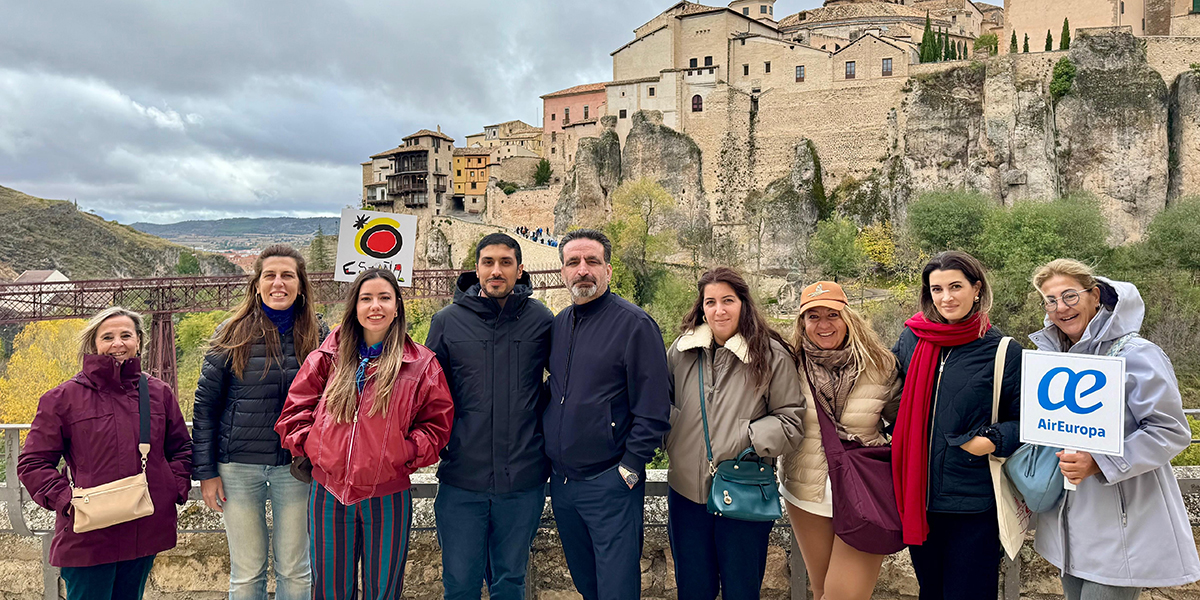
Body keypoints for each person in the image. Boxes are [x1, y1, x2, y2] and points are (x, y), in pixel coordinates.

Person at [275, 268, 454, 600]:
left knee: (383, 589)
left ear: (397, 306)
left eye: (384, 298)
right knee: (329, 590)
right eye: (366, 298)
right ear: (354, 307)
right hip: (328, 491)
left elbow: (437, 424)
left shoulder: (421, 365)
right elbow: (294, 413)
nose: (376, 306)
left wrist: (404, 452)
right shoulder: (326, 359)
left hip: (387, 494)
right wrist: (316, 448)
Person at [1028, 259, 1200, 599]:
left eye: (1070, 296)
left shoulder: (1139, 355)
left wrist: (1100, 462)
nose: (1060, 307)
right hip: (1068, 528)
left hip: (1122, 526)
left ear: (1094, 296)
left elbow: (1171, 430)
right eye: (1051, 300)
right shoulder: (1053, 358)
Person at [18, 307, 193, 600]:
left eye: (126, 335)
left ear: (139, 340)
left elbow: (182, 449)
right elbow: (33, 462)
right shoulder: (62, 399)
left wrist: (170, 488)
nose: (118, 343)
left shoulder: (159, 393)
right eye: (108, 336)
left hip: (143, 526)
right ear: (94, 344)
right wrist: (67, 500)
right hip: (88, 532)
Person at [192, 244, 327, 600]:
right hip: (238, 468)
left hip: (296, 467)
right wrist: (206, 472)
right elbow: (206, 406)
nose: (278, 283)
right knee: (247, 571)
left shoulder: (319, 335)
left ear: (300, 284)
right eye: (270, 275)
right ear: (257, 283)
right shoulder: (231, 332)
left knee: (296, 570)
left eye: (287, 275)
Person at [544, 229, 671, 600]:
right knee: (588, 587)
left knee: (617, 590)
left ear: (608, 270)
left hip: (610, 483)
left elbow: (654, 408)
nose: (583, 270)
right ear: (563, 272)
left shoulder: (635, 325)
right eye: (573, 262)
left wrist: (629, 468)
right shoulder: (560, 324)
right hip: (564, 485)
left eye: (592, 261)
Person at [425, 233, 554, 600]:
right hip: (462, 479)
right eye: (488, 262)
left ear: (520, 269)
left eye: (505, 262)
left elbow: (562, 386)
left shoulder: (542, 321)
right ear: (477, 268)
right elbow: (428, 395)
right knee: (460, 584)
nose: (496, 271)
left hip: (522, 480)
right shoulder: (447, 323)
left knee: (510, 582)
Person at [665, 267, 804, 600]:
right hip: (686, 495)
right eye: (710, 302)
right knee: (693, 590)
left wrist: (747, 437)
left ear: (743, 303)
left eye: (728, 300)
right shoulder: (681, 352)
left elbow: (792, 421)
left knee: (742, 590)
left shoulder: (770, 355)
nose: (719, 310)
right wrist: (674, 433)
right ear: (701, 308)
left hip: (742, 490)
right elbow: (660, 406)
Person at [890, 251, 1022, 600]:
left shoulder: (1004, 351)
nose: (946, 297)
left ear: (976, 289)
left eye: (955, 287)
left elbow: (1025, 422)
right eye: (937, 289)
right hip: (919, 497)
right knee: (930, 592)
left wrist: (992, 439)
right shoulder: (912, 338)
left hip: (973, 502)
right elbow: (885, 393)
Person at [780, 281, 902, 600]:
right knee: (822, 590)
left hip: (866, 493)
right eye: (813, 316)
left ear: (848, 317)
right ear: (801, 322)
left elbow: (904, 421)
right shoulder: (788, 366)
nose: (823, 325)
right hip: (807, 492)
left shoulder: (880, 365)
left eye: (832, 314)